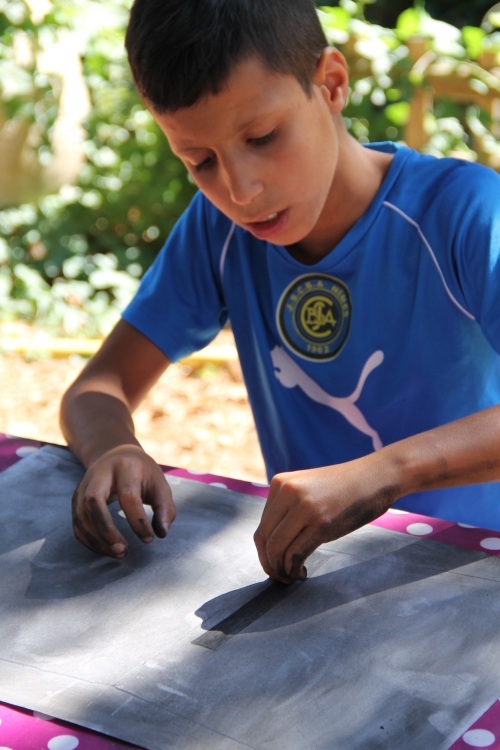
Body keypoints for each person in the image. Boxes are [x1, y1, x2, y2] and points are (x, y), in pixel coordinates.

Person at [61, 0, 500, 585]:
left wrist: (382, 474)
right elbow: (97, 388)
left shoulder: (464, 212)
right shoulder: (218, 232)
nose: (240, 190)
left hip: (476, 575)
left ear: (331, 84)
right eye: (200, 161)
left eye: (263, 137)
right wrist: (113, 447)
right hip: (323, 588)